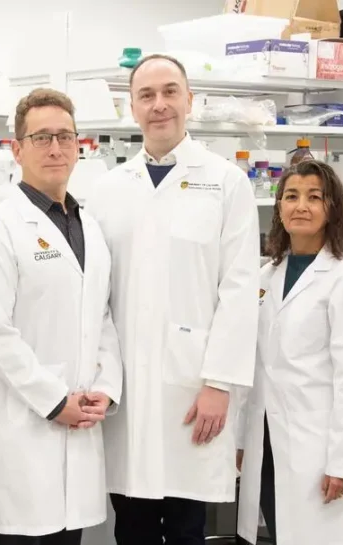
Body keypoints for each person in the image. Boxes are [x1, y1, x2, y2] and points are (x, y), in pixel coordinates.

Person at [85, 54, 261, 545]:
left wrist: (220, 383)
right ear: (132, 108)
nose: (159, 105)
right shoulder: (106, 189)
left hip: (194, 386)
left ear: (190, 101)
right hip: (126, 384)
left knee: (187, 524)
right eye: (146, 95)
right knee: (132, 521)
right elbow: (95, 294)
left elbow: (240, 289)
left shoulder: (227, 183)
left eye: (169, 92)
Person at [0, 88, 124, 545]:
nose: (55, 148)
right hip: (25, 427)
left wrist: (106, 391)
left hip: (80, 423)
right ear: (17, 149)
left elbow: (104, 318)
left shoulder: (89, 226)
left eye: (64, 137)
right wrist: (56, 400)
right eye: (41, 138)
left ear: (79, 145)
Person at [234, 161, 343, 545]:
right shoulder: (265, 276)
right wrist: (241, 441)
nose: (301, 206)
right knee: (279, 532)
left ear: (332, 208)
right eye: (291, 196)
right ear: (278, 207)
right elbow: (254, 366)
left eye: (315, 197)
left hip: (316, 442)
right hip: (266, 438)